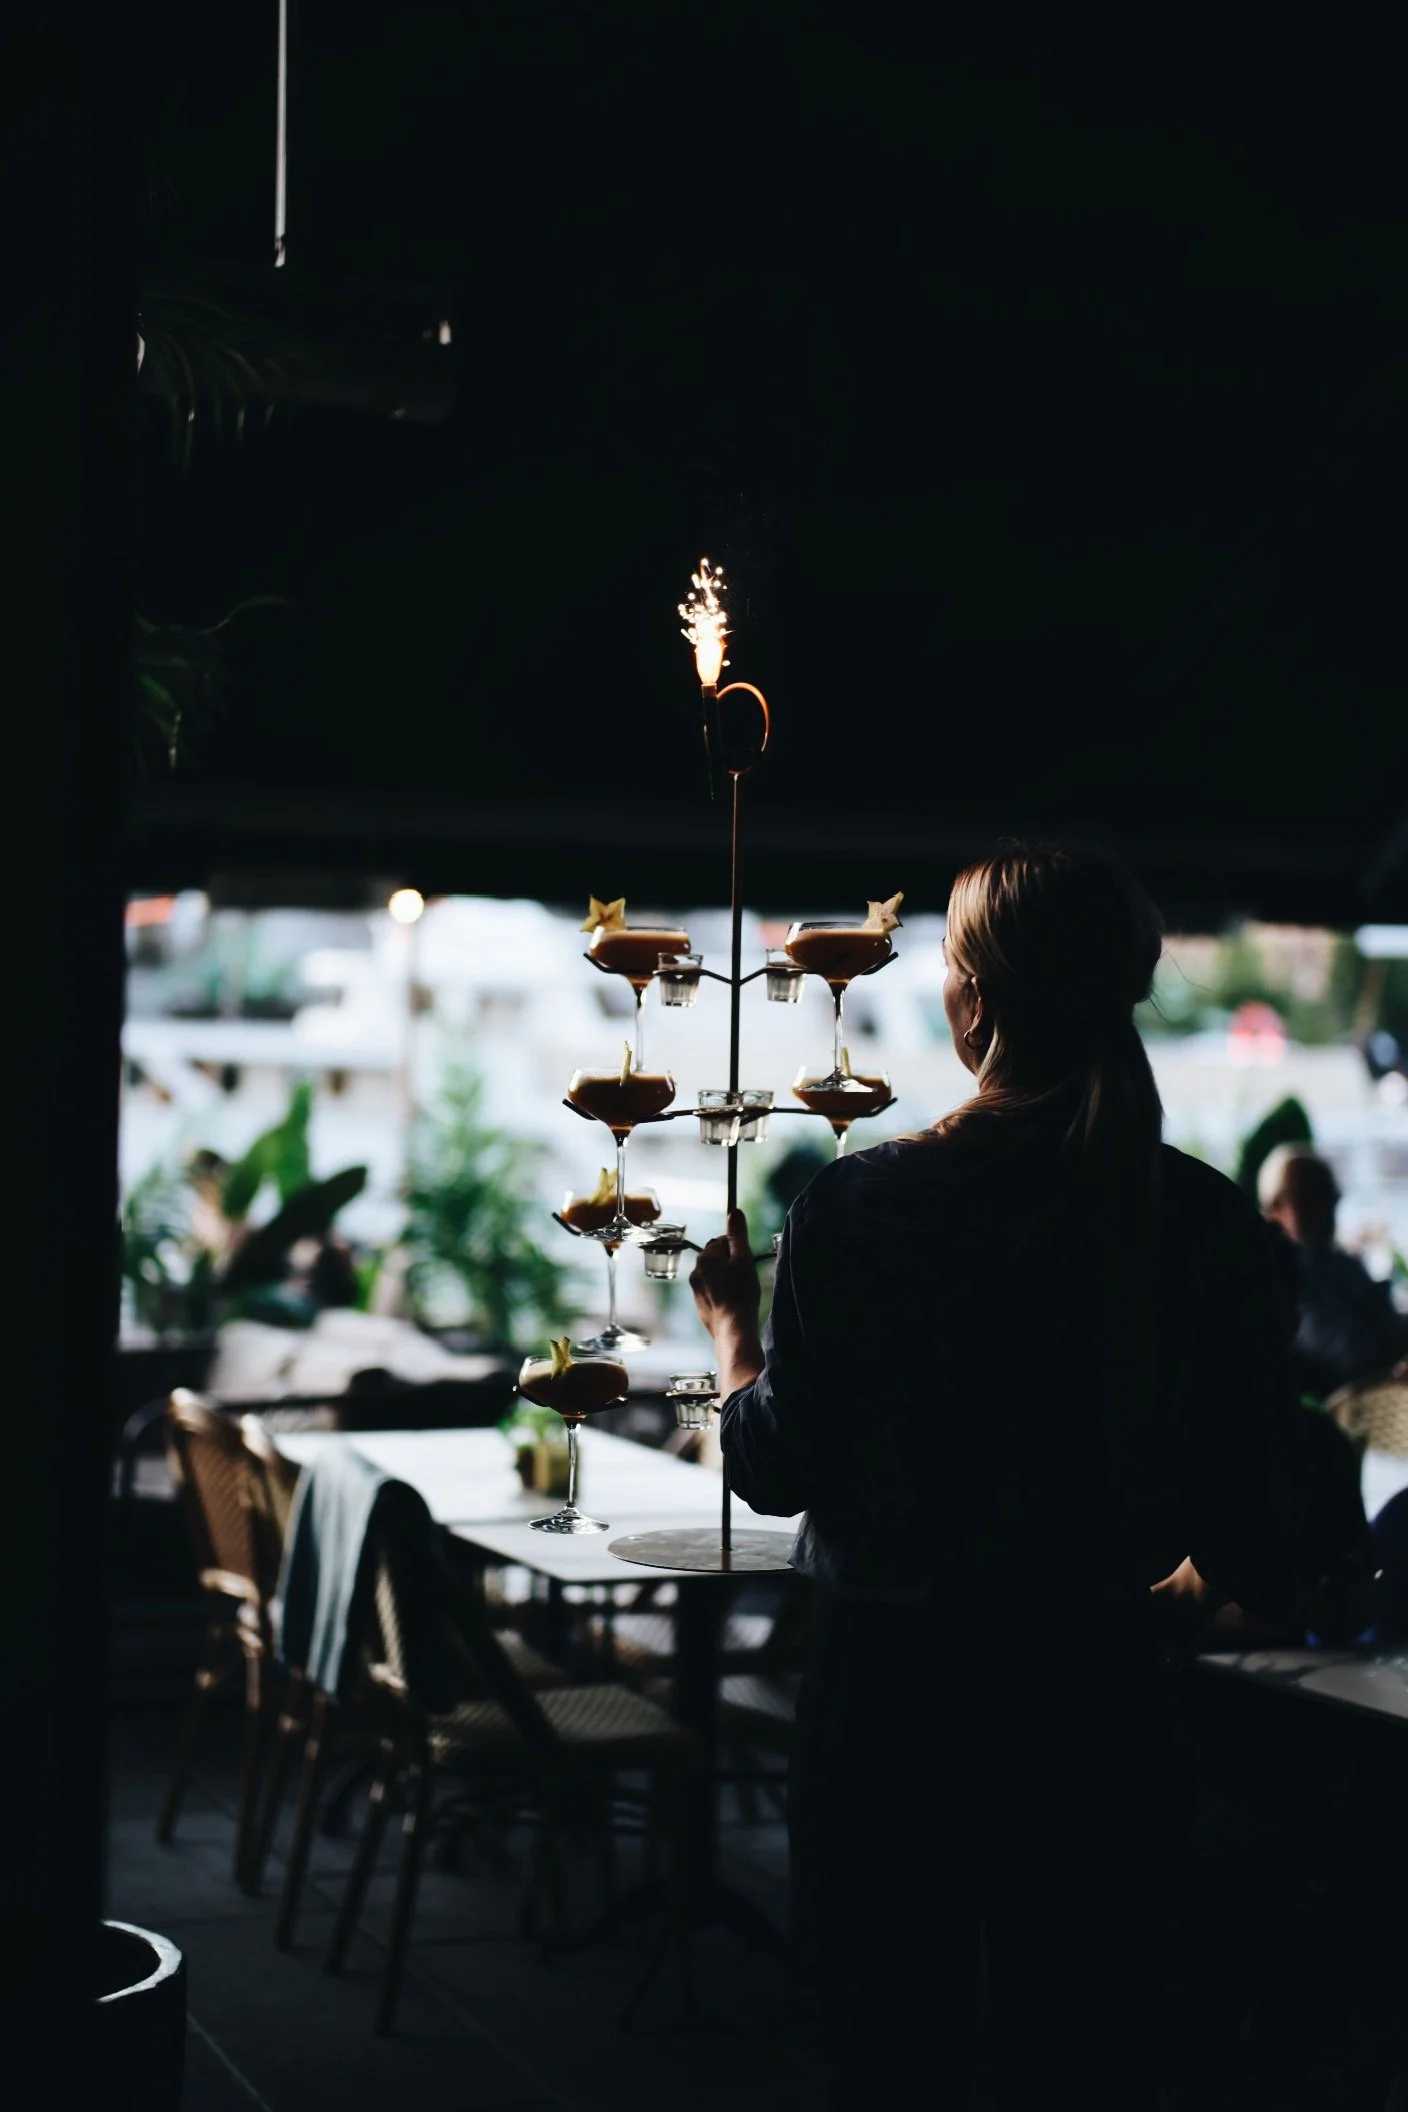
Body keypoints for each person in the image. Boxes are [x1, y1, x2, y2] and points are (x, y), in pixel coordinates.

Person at [691, 842, 1305, 2112]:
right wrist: (1173, 1594)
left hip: (887, 1719)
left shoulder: (859, 1208)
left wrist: (732, 1339)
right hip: (1092, 1714)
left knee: (891, 2059)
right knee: (1076, 2059)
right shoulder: (1203, 1225)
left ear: (970, 1002)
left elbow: (774, 1464)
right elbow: (1259, 1524)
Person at [1257, 1144, 1408, 1397]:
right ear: (1273, 1208)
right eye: (1307, 1200)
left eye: (1329, 1197)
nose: (1322, 1211)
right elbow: (1351, 1353)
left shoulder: (1343, 1265)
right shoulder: (1278, 1279)